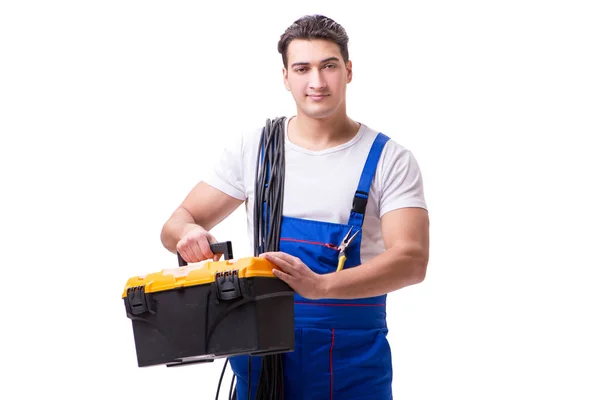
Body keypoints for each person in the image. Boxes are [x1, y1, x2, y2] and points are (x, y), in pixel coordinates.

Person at [160, 14, 429, 400]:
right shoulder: (254, 149)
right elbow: (177, 222)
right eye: (302, 68)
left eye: (329, 66)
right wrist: (188, 234)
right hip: (261, 351)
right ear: (286, 76)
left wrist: (321, 286)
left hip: (352, 360)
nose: (316, 82)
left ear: (348, 71)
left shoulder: (389, 159)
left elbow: (412, 259)